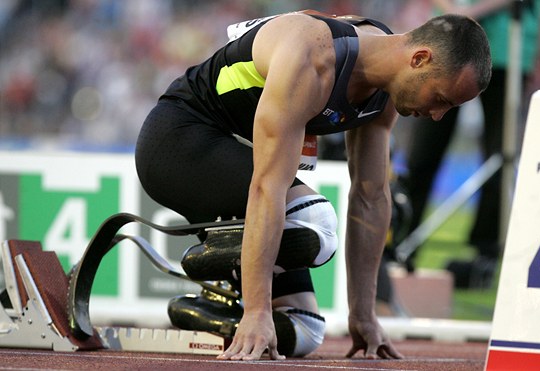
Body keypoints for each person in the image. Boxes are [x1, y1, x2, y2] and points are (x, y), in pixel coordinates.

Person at [135, 9, 491, 360]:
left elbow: (371, 196)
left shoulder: (386, 86)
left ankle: (211, 304)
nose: (437, 115)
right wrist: (257, 310)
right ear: (420, 59)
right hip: (177, 144)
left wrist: (363, 314)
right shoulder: (313, 57)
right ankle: (222, 278)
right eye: (441, 99)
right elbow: (267, 186)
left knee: (305, 331)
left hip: (236, 157)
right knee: (313, 220)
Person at [402, 0, 540, 288]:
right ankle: (401, 242)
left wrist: (468, 15)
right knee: (423, 153)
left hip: (506, 48)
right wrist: (455, 12)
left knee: (499, 156)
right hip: (447, 44)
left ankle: (484, 255)